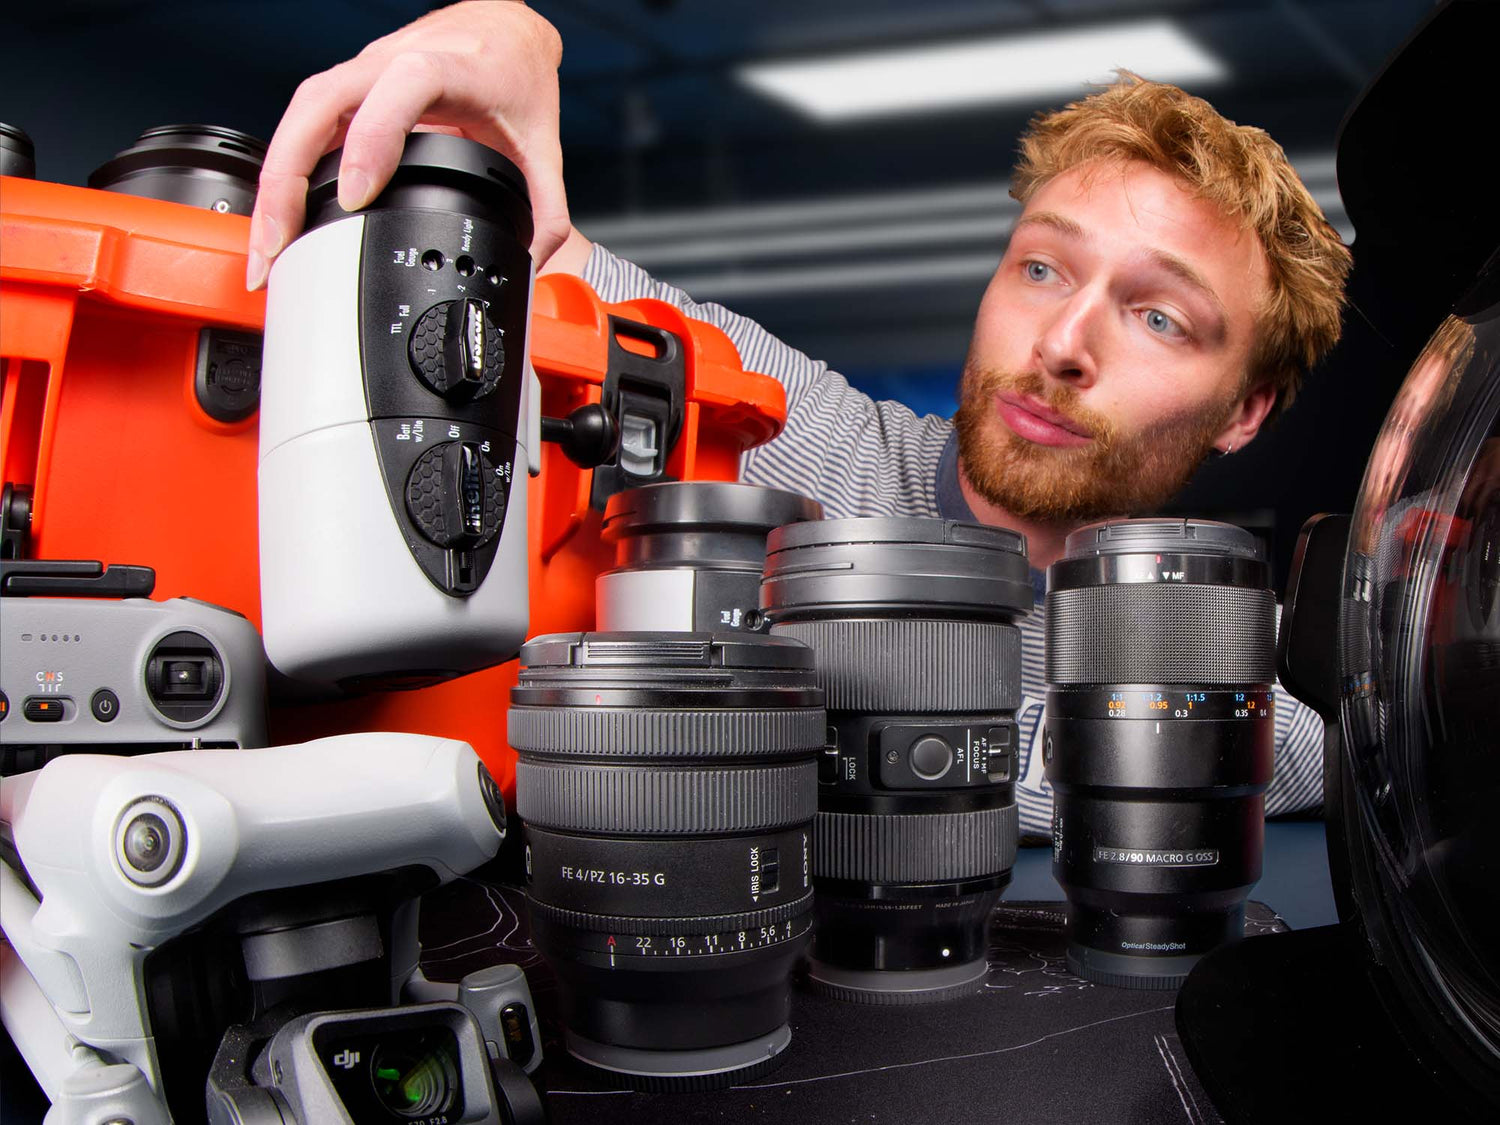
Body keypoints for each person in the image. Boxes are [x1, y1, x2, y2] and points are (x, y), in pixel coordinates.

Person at [248, 1, 1352, 837]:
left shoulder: (1216, 637)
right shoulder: (815, 439)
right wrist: (515, 50)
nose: (1064, 342)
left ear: (1244, 410)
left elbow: (1321, 750)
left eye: (1158, 317)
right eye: (1042, 268)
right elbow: (548, 267)